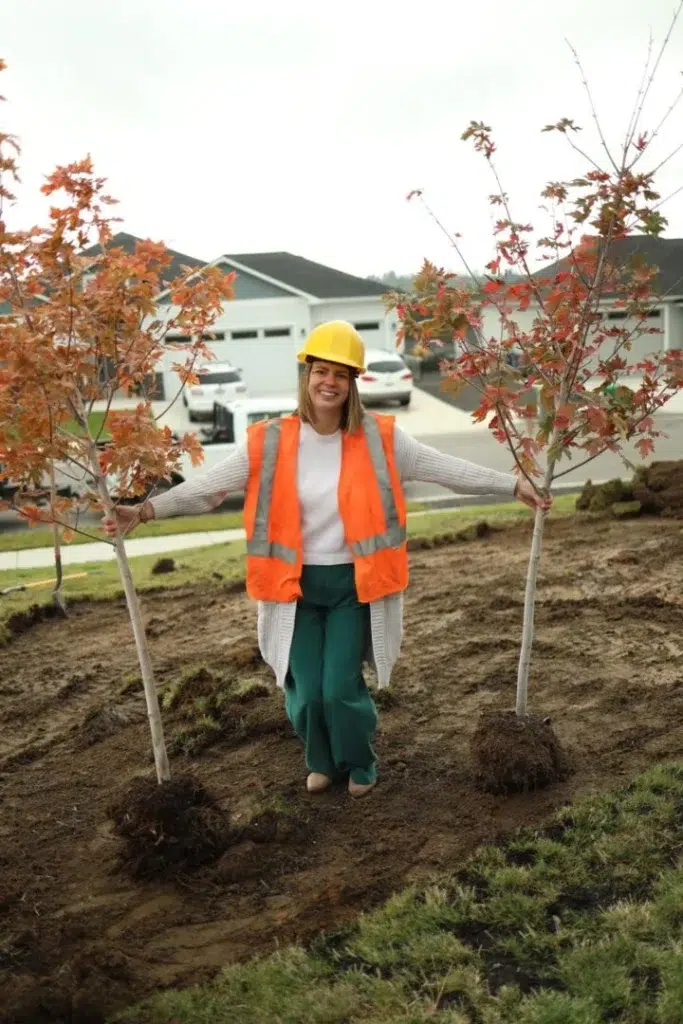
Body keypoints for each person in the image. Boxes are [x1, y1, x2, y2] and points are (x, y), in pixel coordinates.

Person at [103, 321, 551, 799]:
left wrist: (511, 483)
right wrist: (147, 510)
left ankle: (359, 761)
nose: (329, 382)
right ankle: (320, 760)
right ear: (307, 375)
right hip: (293, 589)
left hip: (354, 588)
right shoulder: (269, 440)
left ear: (353, 381)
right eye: (321, 370)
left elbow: (445, 469)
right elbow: (207, 488)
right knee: (307, 694)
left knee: (339, 689)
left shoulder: (381, 438)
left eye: (341, 373)